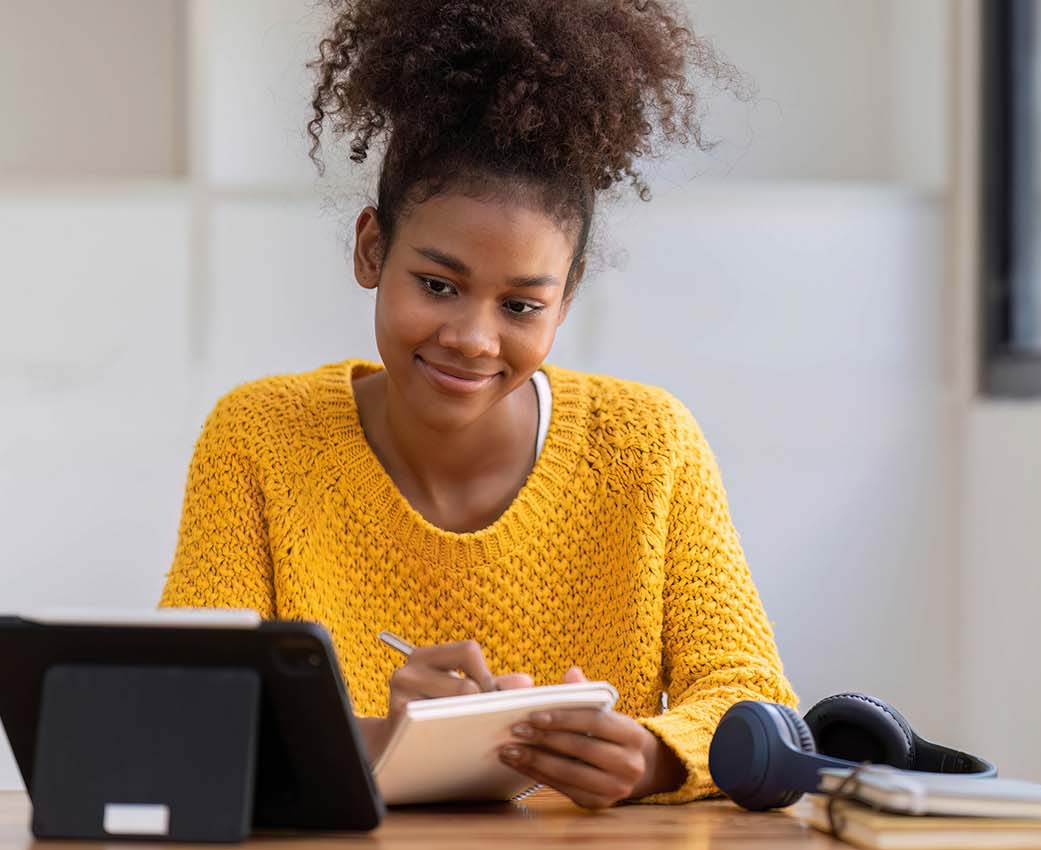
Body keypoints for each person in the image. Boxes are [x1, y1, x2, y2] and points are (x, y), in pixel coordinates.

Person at [159, 0, 795, 808]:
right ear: (370, 250)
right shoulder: (261, 437)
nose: (472, 337)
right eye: (437, 284)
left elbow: (756, 702)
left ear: (566, 300)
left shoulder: (649, 444)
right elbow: (183, 711)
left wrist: (656, 756)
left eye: (521, 306)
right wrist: (394, 740)